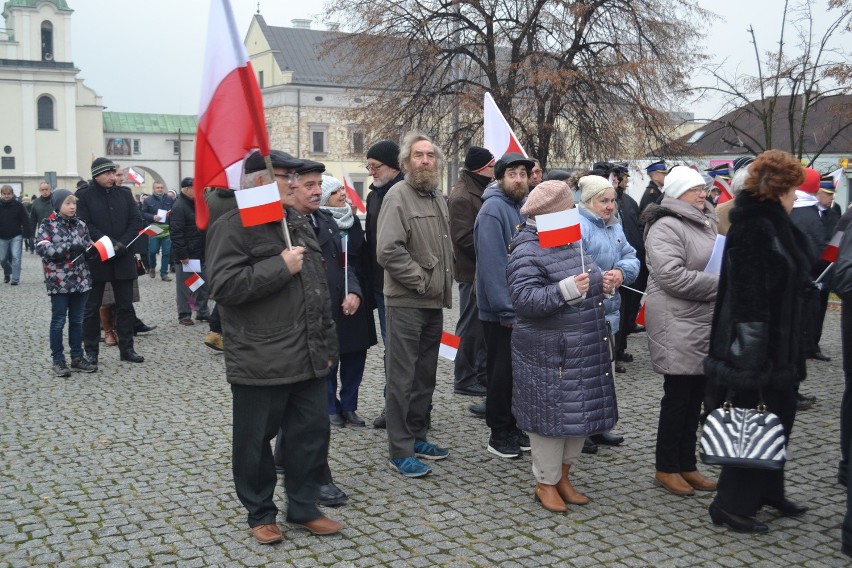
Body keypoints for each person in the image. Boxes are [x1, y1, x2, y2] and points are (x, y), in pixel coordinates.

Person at [206, 150, 342, 544]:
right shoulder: (233, 225)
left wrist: (326, 342)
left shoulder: (296, 222)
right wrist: (279, 266)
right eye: (287, 176)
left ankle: (302, 507)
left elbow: (316, 289)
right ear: (258, 182)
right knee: (253, 443)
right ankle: (261, 513)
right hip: (261, 357)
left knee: (310, 436)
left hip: (309, 355)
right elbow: (225, 287)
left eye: (296, 177)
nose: (297, 184)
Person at [704, 149, 810, 533]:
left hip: (778, 347)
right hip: (755, 350)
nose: (797, 196)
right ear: (778, 189)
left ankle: (768, 489)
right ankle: (730, 505)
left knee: (779, 420)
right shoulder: (753, 226)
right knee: (751, 423)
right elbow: (747, 300)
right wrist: (751, 360)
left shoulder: (776, 222)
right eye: (793, 189)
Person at [507, 180, 617, 513]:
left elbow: (588, 275)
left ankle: (564, 477)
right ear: (551, 213)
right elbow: (524, 300)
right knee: (550, 423)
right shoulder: (527, 247)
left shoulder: (568, 238)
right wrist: (565, 290)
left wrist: (605, 282)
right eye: (568, 208)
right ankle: (545, 482)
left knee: (577, 416)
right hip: (550, 352)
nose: (574, 212)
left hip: (583, 346)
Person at [376, 131, 454, 478]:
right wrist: (422, 281)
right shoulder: (398, 196)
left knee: (425, 376)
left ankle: (418, 435)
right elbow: (388, 250)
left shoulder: (437, 197)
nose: (425, 161)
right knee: (402, 378)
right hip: (407, 300)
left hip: (433, 303)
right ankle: (400, 450)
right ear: (406, 162)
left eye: (430, 156)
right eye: (419, 155)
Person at [640, 165, 719, 496]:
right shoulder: (666, 226)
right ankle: (666, 467)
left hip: (702, 319)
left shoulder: (705, 221)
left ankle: (687, 464)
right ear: (678, 193)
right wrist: (723, 283)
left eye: (704, 188)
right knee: (677, 397)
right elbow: (672, 276)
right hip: (677, 320)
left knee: (695, 396)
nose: (704, 194)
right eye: (696, 190)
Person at [475, 152, 534, 459]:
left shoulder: (523, 207)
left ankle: (514, 424)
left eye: (523, 173)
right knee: (501, 373)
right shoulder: (493, 210)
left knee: (518, 372)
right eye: (513, 173)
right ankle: (499, 432)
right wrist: (506, 309)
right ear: (500, 177)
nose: (519, 178)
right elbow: (492, 264)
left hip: (522, 307)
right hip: (501, 311)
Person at [577, 175, 638, 445]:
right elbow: (572, 265)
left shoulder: (615, 226)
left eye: (612, 200)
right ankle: (582, 429)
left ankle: (600, 425)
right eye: (604, 200)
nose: (610, 206)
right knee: (584, 375)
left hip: (610, 312)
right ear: (588, 201)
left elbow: (631, 256)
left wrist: (621, 274)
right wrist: (600, 278)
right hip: (585, 312)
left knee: (605, 375)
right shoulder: (577, 225)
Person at [317, 174, 377, 427]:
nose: (342, 194)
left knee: (355, 355)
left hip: (356, 295)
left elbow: (360, 258)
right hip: (328, 297)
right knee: (330, 355)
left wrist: (363, 292)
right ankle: (331, 407)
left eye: (342, 189)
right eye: (335, 192)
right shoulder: (317, 222)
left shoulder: (352, 222)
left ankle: (350, 405)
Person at [77, 158, 144, 365]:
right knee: (91, 307)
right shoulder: (84, 196)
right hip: (98, 258)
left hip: (123, 257)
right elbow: (85, 224)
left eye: (113, 173)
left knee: (125, 306)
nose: (112, 177)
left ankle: (127, 349)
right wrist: (108, 243)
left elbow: (136, 221)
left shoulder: (124, 194)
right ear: (96, 175)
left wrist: (121, 244)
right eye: (107, 174)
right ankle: (91, 351)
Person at [35, 189, 98, 376]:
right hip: (59, 281)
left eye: (74, 203)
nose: (72, 207)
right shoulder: (48, 224)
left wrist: (91, 250)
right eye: (68, 203)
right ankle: (58, 360)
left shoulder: (80, 224)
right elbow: (43, 249)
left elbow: (87, 243)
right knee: (58, 321)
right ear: (58, 205)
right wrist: (68, 246)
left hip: (81, 279)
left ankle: (77, 357)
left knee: (77, 321)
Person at [364, 139, 405, 429]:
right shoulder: (373, 195)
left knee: (404, 351)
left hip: (401, 285)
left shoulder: (404, 193)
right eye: (368, 167)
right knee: (391, 350)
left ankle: (411, 409)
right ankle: (393, 407)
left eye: (375, 167)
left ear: (392, 166)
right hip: (380, 285)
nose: (371, 173)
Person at [448, 146, 494, 398]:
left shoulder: (479, 188)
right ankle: (463, 378)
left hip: (481, 269)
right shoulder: (462, 197)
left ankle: (479, 374)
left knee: (480, 325)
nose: (494, 170)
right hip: (470, 272)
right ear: (480, 169)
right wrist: (494, 247)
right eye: (491, 165)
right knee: (469, 326)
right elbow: (463, 238)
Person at [612, 163, 646, 363]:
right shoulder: (614, 206)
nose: (620, 182)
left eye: (619, 179)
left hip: (629, 267)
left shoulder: (629, 202)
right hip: (614, 274)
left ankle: (620, 347)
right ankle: (614, 352)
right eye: (616, 179)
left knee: (625, 310)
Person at [170, 177, 210, 326]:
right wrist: (183, 255)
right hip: (187, 255)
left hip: (199, 252)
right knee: (185, 286)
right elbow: (176, 232)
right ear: (186, 189)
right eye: (196, 188)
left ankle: (202, 311)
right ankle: (184, 314)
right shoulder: (179, 206)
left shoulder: (196, 204)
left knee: (202, 284)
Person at [202, 184, 237, 352]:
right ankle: (216, 330)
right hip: (235, 245)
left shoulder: (210, 197)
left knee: (225, 286)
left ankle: (216, 330)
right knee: (233, 288)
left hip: (213, 244)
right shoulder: (240, 197)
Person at [141, 181, 174, 282]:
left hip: (165, 227)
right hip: (154, 227)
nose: (160, 189)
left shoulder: (169, 199)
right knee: (152, 250)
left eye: (161, 187)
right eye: (158, 187)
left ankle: (164, 273)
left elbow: (174, 211)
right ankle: (152, 266)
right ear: (153, 189)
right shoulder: (148, 200)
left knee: (166, 252)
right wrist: (153, 217)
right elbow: (143, 213)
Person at [0, 184, 30, 286]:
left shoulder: (18, 205)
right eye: (4, 194)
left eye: (9, 194)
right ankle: (8, 272)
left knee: (16, 257)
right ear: (1, 194)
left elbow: (25, 220)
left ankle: (15, 279)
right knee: (2, 259)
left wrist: (27, 234)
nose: (7, 196)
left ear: (12, 194)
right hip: (1, 236)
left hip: (16, 235)